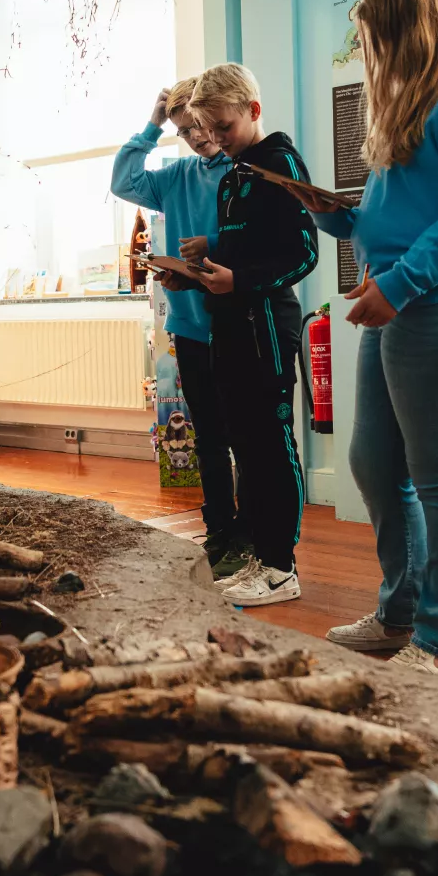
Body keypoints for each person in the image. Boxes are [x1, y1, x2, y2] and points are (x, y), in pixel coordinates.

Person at [292, 0, 438, 682]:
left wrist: (399, 282)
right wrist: (341, 219)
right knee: (376, 463)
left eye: (372, 39)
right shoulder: (413, 109)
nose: (367, 55)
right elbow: (400, 219)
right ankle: (402, 613)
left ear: (408, 33)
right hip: (400, 305)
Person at [183, 62, 318, 608]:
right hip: (230, 329)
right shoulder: (234, 174)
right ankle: (261, 556)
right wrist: (199, 265)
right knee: (244, 446)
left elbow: (304, 253)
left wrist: (240, 279)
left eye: (223, 128)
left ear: (253, 111)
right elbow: (245, 251)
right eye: (207, 133)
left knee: (271, 447)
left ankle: (283, 567)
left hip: (266, 330)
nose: (215, 141)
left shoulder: (280, 163)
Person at [110, 77, 248, 577]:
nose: (197, 137)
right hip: (190, 327)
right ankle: (218, 533)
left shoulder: (242, 168)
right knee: (208, 437)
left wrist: (210, 247)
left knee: (248, 438)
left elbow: (255, 242)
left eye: (200, 126)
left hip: (240, 322)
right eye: (184, 131)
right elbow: (123, 181)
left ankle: (250, 538)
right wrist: (151, 125)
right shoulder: (176, 176)